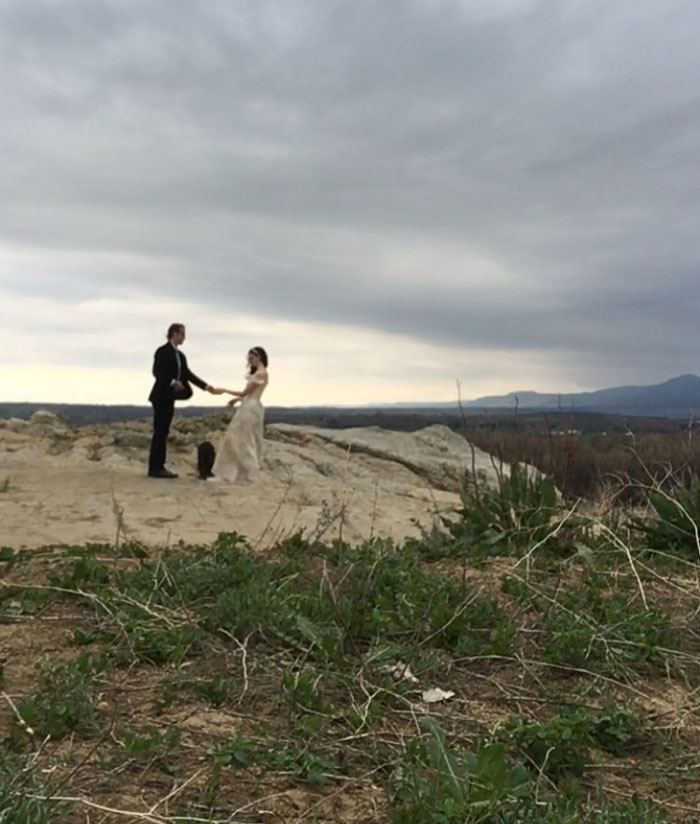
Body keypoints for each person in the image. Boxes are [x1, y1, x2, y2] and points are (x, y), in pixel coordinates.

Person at [147, 323, 214, 479]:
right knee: (160, 432)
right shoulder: (163, 351)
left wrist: (205, 386)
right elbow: (157, 372)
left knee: (164, 431)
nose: (184, 337)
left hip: (169, 398)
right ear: (174, 334)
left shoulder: (180, 356)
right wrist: (172, 382)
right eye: (182, 334)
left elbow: (187, 374)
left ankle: (158, 466)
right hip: (161, 396)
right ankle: (156, 467)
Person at [209, 347, 269, 482]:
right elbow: (250, 395)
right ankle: (240, 472)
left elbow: (244, 393)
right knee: (242, 438)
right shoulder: (261, 373)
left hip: (250, 408)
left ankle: (248, 471)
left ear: (259, 357)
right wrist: (237, 400)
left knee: (244, 439)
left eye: (252, 358)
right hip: (251, 406)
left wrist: (224, 390)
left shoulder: (260, 374)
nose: (250, 361)